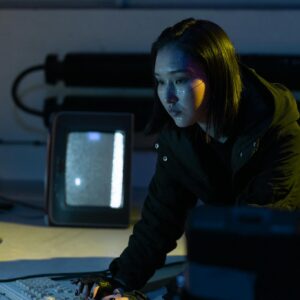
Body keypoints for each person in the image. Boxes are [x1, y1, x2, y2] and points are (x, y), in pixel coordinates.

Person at [76, 18, 300, 299]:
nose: (167, 96)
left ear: (217, 77)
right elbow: (160, 220)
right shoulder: (181, 135)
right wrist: (118, 280)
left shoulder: (275, 129)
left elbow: (253, 241)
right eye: (160, 82)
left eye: (180, 80)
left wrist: (171, 293)